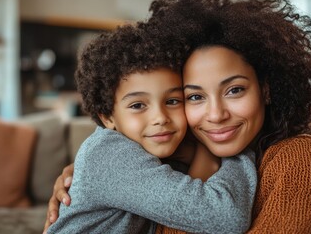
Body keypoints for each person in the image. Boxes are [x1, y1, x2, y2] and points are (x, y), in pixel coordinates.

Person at [44, 0, 311, 233]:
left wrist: (223, 154)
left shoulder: (305, 163)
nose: (215, 114)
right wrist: (81, 175)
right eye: (195, 96)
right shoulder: (173, 154)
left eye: (234, 90)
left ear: (266, 89)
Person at [46, 21, 257, 234]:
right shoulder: (111, 154)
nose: (160, 118)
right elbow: (225, 217)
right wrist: (235, 152)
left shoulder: (161, 149)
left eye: (173, 101)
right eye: (138, 105)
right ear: (108, 117)